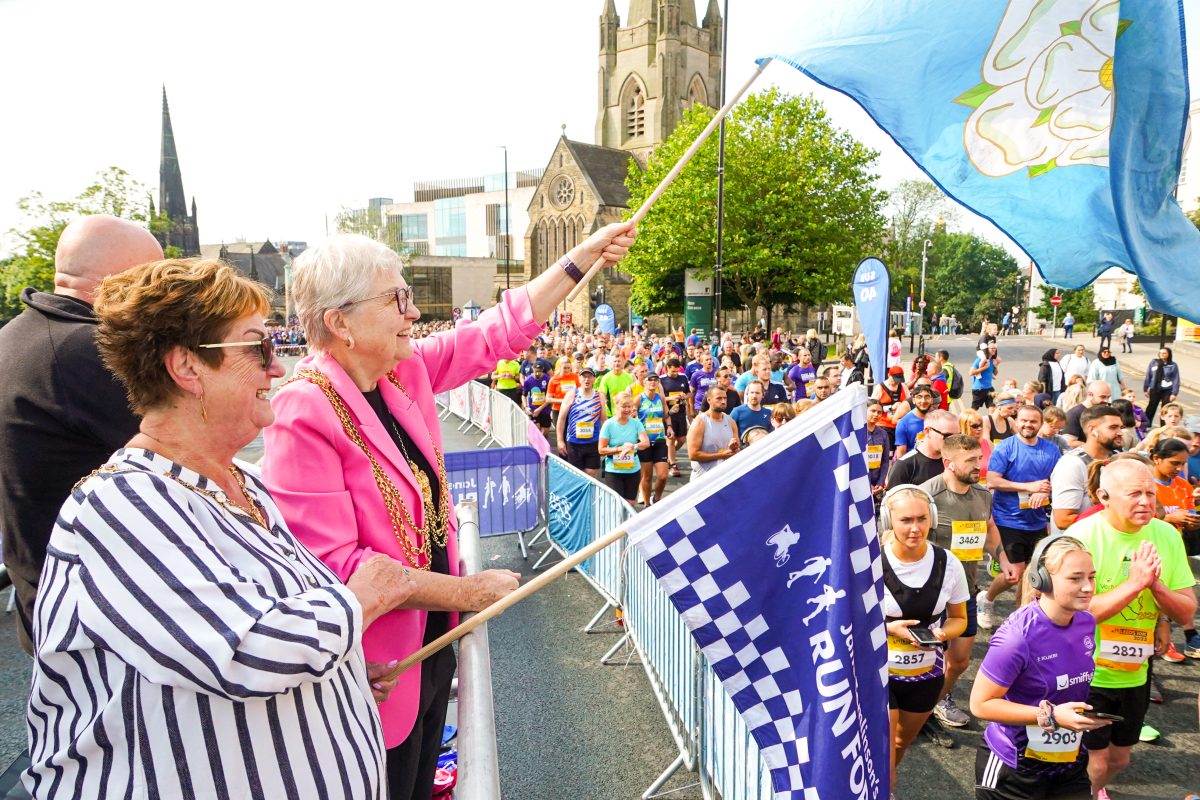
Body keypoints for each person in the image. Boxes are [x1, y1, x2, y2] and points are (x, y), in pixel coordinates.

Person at [26, 257, 424, 797]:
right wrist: (361, 602)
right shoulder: (121, 504)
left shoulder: (240, 484)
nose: (276, 367)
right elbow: (245, 651)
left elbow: (271, 623)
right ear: (187, 368)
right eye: (258, 348)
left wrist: (341, 674)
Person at [264, 223, 635, 799]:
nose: (411, 314)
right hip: (373, 670)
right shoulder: (302, 411)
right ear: (340, 323)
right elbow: (335, 566)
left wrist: (577, 261)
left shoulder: (399, 371)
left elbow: (494, 332)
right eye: (396, 299)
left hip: (429, 647)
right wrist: (465, 593)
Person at [0, 215, 163, 654]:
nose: (160, 299)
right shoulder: (91, 352)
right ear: (119, 282)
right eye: (152, 281)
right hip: (105, 616)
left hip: (45, 598)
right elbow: (190, 458)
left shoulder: (14, 337)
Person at [1065, 459, 1197, 800]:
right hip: (1084, 670)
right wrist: (1136, 583)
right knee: (1092, 761)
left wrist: (1157, 592)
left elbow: (1187, 612)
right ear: (1103, 496)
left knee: (1119, 758)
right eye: (1135, 494)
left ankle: (1090, 790)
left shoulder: (1166, 534)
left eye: (1151, 494)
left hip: (1135, 671)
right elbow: (1075, 615)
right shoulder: (1082, 536)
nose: (1146, 502)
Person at [969, 536, 1109, 800]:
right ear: (1041, 579)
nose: (1088, 587)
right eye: (1075, 578)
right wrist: (1051, 716)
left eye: (1091, 577)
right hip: (1013, 768)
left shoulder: (1086, 623)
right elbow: (980, 705)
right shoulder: (1016, 637)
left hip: (1069, 763)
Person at [879, 486, 969, 796]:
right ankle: (884, 788)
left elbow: (960, 619)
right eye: (905, 520)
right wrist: (890, 630)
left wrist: (942, 634)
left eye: (921, 518)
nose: (915, 528)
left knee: (902, 742)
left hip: (926, 674)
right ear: (890, 520)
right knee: (884, 751)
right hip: (879, 675)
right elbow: (850, 620)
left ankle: (884, 781)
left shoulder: (949, 563)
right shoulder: (871, 563)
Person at [920, 434, 1004, 729]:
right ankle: (913, 709)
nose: (978, 466)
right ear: (949, 463)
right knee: (926, 658)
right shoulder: (926, 496)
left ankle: (935, 703)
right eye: (970, 460)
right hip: (930, 594)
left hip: (965, 592)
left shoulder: (982, 495)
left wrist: (1002, 559)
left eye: (979, 459)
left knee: (959, 662)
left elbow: (989, 527)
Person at [978, 405, 1061, 627]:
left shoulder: (1051, 450)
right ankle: (986, 599)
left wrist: (1044, 490)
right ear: (1017, 421)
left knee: (1032, 574)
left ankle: (1020, 618)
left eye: (1033, 421)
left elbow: (1058, 481)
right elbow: (993, 481)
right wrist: (1028, 486)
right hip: (1008, 519)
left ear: (1041, 423)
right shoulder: (1006, 447)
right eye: (1023, 420)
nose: (1027, 425)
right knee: (1014, 573)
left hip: (1037, 522)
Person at [1148, 436, 1200, 662]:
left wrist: (1192, 519)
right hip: (1152, 547)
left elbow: (1188, 511)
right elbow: (1145, 516)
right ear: (1157, 459)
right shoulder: (1146, 484)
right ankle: (1162, 640)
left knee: (1181, 591)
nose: (1179, 469)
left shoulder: (1183, 485)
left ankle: (1190, 637)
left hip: (1176, 546)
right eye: (1174, 464)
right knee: (1156, 595)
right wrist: (1170, 517)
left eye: (1182, 464)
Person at [1051, 404, 1124, 535]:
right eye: (1113, 427)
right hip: (1077, 547)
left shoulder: (1117, 460)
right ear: (1092, 430)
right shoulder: (1072, 464)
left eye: (1120, 427)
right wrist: (1119, 517)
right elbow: (1062, 520)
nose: (1120, 432)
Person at [599, 391, 649, 503]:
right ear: (616, 406)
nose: (627, 410)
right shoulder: (608, 424)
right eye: (624, 407)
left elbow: (646, 443)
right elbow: (601, 450)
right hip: (613, 470)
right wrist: (619, 449)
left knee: (631, 502)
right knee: (617, 503)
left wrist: (633, 446)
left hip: (633, 469)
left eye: (629, 407)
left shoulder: (636, 423)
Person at [887, 410, 959, 488]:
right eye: (947, 436)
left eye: (958, 436)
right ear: (927, 431)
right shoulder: (905, 465)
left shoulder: (957, 461)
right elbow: (893, 499)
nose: (954, 441)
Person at [558, 368, 606, 477]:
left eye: (589, 376)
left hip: (593, 442)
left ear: (594, 379)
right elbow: (561, 419)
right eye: (584, 376)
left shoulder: (599, 396)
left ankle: (587, 494)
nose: (587, 379)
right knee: (576, 476)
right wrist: (560, 440)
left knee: (591, 473)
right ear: (579, 379)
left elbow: (604, 420)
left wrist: (605, 440)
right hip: (574, 443)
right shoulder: (572, 394)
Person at [687, 384, 739, 482]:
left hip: (725, 478)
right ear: (709, 400)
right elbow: (693, 454)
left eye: (725, 398)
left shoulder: (730, 421)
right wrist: (722, 455)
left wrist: (734, 448)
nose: (723, 401)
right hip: (703, 480)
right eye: (719, 398)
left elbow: (736, 450)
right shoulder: (699, 422)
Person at [636, 374, 670, 504]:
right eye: (650, 379)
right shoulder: (639, 399)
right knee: (647, 476)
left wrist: (670, 427)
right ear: (644, 382)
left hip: (660, 439)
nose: (653, 382)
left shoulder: (661, 398)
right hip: (645, 442)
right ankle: (646, 504)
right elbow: (632, 418)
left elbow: (666, 415)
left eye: (656, 380)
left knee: (662, 476)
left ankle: (656, 499)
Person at [660, 358, 690, 478]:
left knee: (682, 439)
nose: (675, 374)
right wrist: (670, 399)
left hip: (681, 412)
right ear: (667, 368)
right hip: (669, 413)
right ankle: (673, 464)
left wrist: (684, 396)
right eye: (673, 371)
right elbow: (660, 398)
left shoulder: (682, 378)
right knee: (671, 439)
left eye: (677, 371)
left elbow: (689, 394)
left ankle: (669, 454)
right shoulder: (661, 380)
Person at [1061, 381, 1113, 445]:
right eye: (1102, 397)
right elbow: (1069, 442)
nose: (1106, 401)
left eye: (1108, 397)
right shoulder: (1074, 414)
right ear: (1090, 394)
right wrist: (1094, 447)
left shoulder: (1105, 412)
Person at [894, 384, 937, 460]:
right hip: (914, 465)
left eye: (927, 397)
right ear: (913, 400)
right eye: (919, 397)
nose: (923, 401)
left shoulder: (938, 419)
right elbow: (901, 454)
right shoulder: (904, 423)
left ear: (932, 400)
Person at [1143, 347, 1181, 426]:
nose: (1162, 355)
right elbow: (1148, 376)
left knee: (1166, 409)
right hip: (1155, 388)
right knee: (1151, 407)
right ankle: (1146, 425)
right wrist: (1145, 389)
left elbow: (1176, 379)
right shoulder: (1154, 362)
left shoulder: (1173, 365)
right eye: (1160, 353)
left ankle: (1164, 426)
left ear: (1169, 354)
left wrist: (1174, 393)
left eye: (1164, 353)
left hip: (1167, 390)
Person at [865, 399, 892, 500]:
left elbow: (885, 461)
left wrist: (881, 482)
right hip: (861, 482)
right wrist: (867, 484)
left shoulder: (883, 434)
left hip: (877, 484)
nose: (876, 414)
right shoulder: (857, 433)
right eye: (873, 411)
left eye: (879, 412)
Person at [523, 360, 552, 436]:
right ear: (532, 369)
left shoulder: (548, 379)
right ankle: (536, 447)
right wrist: (526, 407)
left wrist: (540, 409)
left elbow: (550, 397)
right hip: (533, 409)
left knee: (545, 433)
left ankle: (543, 447)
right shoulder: (528, 380)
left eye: (539, 371)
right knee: (537, 432)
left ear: (542, 370)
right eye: (536, 371)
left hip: (545, 408)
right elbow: (524, 395)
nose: (537, 373)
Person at [971, 341, 1001, 409]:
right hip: (979, 389)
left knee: (993, 408)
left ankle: (991, 419)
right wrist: (984, 368)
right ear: (987, 349)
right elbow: (971, 372)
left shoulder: (992, 360)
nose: (994, 350)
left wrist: (995, 366)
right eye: (992, 348)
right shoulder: (979, 360)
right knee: (974, 410)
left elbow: (995, 374)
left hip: (989, 388)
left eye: (995, 348)